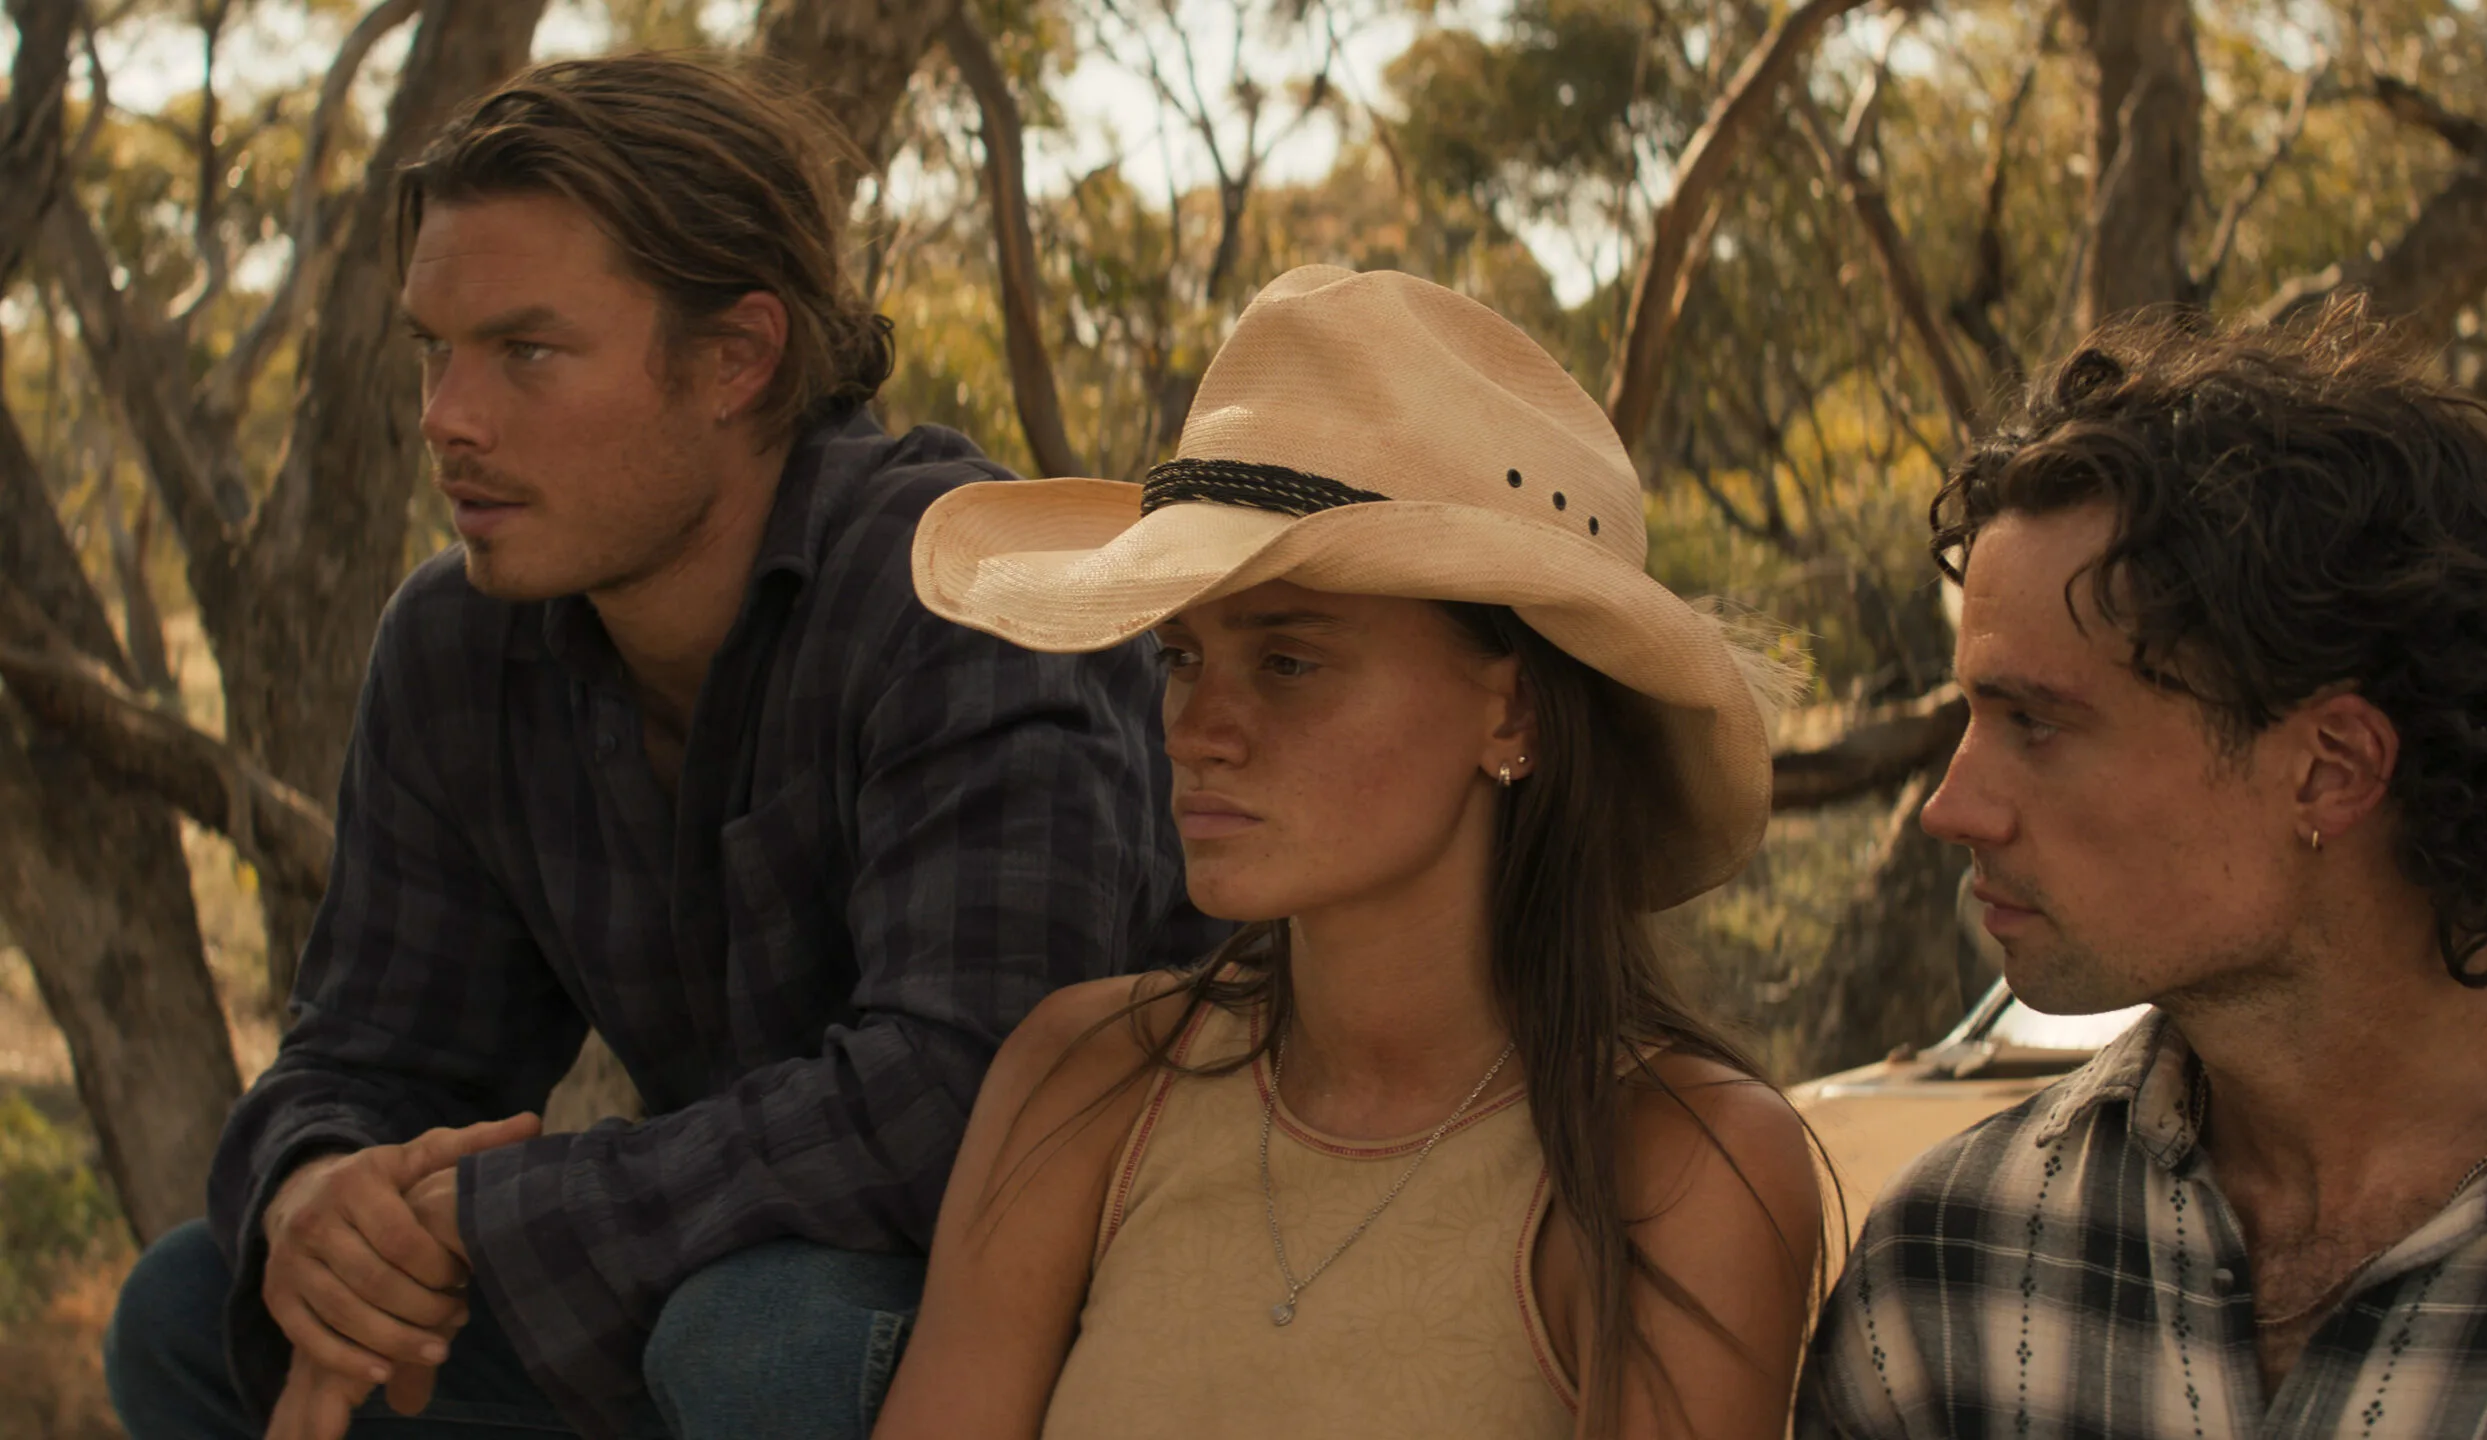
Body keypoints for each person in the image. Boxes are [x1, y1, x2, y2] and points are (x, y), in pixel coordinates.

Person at [101, 53, 1214, 1440]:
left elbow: (962, 1097)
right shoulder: (460, 649)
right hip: (711, 1266)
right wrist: (323, 1195)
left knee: (764, 1340)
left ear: (738, 358)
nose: (448, 417)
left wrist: (499, 1215)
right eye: (433, 352)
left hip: (1080, 1293)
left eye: (526, 352)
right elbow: (370, 1050)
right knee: (199, 1311)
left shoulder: (963, 590)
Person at [871, 264, 1824, 1440]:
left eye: (1288, 661)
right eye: (1180, 657)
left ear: (1514, 715)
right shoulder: (1084, 1082)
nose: (1199, 729)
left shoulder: (1676, 1164)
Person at [1794, 305, 2487, 1438]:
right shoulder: (1951, 1268)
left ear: (2329, 769)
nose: (1951, 809)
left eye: (2035, 724)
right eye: (1970, 715)